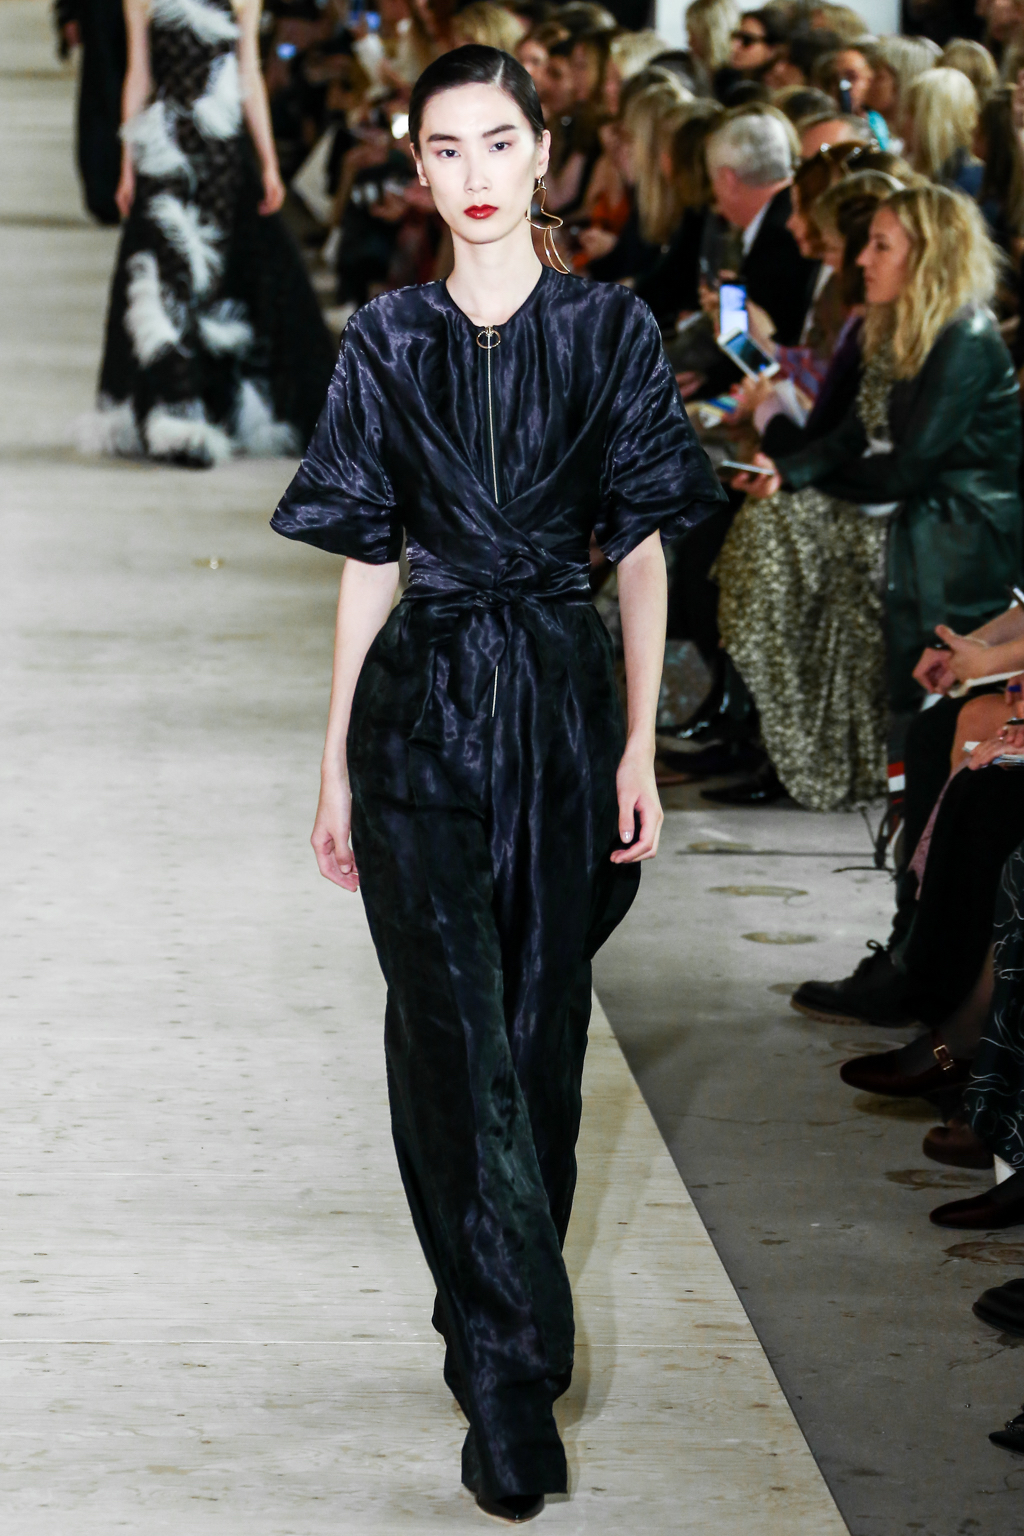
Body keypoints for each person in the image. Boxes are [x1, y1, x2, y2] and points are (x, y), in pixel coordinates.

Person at [270, 43, 724, 1523]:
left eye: (497, 143)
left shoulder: (609, 330)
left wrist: (639, 743)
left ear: (542, 152)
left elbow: (642, 549)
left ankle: (481, 1300)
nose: (471, 175)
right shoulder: (388, 336)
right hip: (417, 718)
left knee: (535, 1047)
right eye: (444, 149)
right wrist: (333, 761)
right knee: (452, 1037)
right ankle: (514, 1379)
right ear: (418, 166)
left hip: (558, 714)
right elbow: (368, 559)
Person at [734, 183, 1021, 716]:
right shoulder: (898, 322)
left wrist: (805, 481)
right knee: (768, 521)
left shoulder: (966, 337)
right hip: (908, 500)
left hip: (958, 521)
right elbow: (851, 435)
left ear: (929, 257)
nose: (863, 259)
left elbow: (907, 471)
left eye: (881, 246)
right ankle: (779, 720)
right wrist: (786, 471)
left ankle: (828, 730)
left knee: (777, 534)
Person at [81, 0, 334, 467]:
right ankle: (177, 410)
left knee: (214, 278)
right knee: (166, 274)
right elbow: (139, 73)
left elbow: (248, 76)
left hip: (221, 156)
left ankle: (209, 404)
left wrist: (268, 162)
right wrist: (126, 163)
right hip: (162, 148)